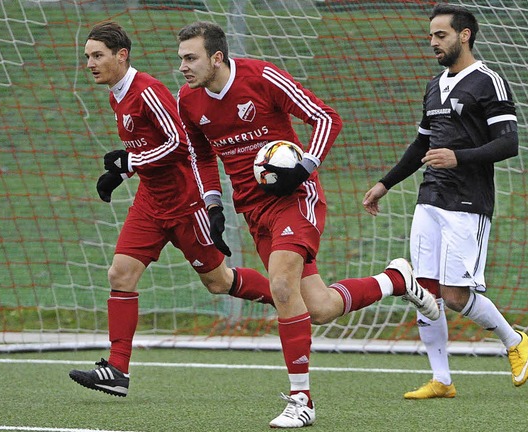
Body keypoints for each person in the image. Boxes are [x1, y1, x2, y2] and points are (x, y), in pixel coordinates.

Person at [176, 21, 439, 428]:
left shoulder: (262, 78)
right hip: (253, 210)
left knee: (282, 285)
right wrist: (213, 205)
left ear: (216, 57)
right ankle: (395, 280)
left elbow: (326, 118)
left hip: (296, 199)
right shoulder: (188, 101)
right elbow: (201, 158)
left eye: (191, 58)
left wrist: (304, 168)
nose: (183, 67)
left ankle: (302, 400)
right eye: (181, 59)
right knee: (319, 307)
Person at [68, 21, 275, 398]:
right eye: (87, 57)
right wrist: (122, 172)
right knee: (121, 273)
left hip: (186, 201)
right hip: (151, 201)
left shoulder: (147, 91)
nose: (90, 63)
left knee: (219, 282)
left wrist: (128, 163)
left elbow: (181, 145)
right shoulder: (117, 94)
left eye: (97, 55)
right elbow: (148, 149)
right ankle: (116, 370)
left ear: (121, 55)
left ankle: (289, 298)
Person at [363, 3, 528, 400]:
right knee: (424, 292)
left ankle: (514, 340)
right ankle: (442, 379)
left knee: (455, 296)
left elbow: (509, 143)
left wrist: (459, 157)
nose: (433, 42)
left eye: (440, 35)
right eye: (431, 36)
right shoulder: (434, 85)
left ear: (464, 35)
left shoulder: (489, 81)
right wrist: (385, 184)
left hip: (468, 202)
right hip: (430, 197)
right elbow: (423, 143)